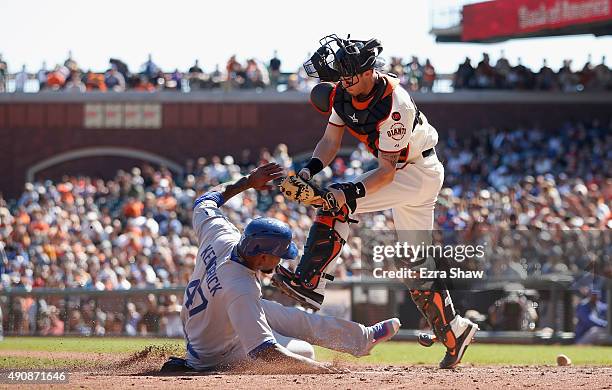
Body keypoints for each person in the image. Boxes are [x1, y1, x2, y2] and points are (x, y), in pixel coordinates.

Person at [273, 34, 478, 369]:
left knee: (336, 201)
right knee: (415, 265)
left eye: (349, 75)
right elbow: (329, 141)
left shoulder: (396, 102)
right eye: (340, 75)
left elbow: (385, 171)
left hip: (416, 171)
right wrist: (308, 172)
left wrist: (348, 193)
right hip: (411, 173)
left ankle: (310, 281)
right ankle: (456, 331)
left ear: (368, 72)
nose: (342, 81)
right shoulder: (342, 94)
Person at [164, 162, 400, 373]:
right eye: (279, 256)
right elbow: (264, 351)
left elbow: (205, 201)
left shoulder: (223, 236)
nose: (281, 261)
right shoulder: (240, 288)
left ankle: (364, 337)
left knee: (295, 319)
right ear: (263, 256)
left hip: (211, 315)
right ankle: (202, 364)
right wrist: (321, 370)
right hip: (214, 353)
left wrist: (248, 182)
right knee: (304, 353)